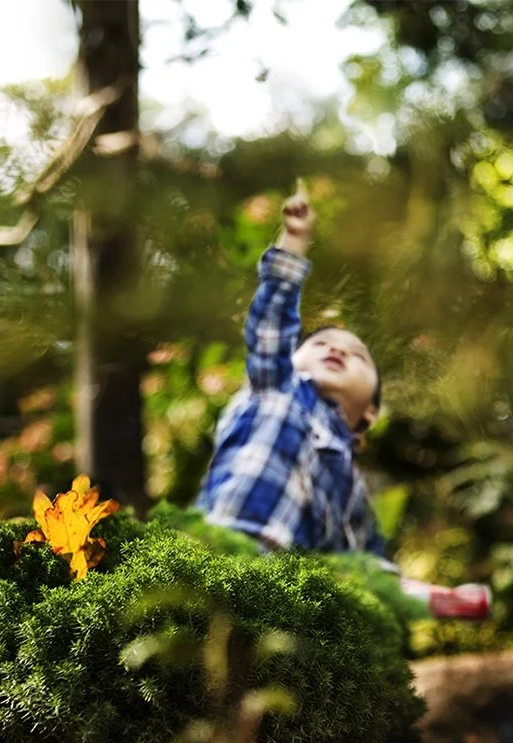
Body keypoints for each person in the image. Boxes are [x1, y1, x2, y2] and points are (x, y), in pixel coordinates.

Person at [196, 180, 489, 620]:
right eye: (321, 343)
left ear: (369, 413)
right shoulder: (274, 386)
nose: (336, 349)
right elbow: (271, 320)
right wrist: (294, 241)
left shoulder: (350, 487)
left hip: (279, 605)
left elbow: (366, 571)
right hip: (213, 561)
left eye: (356, 355)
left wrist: (436, 598)